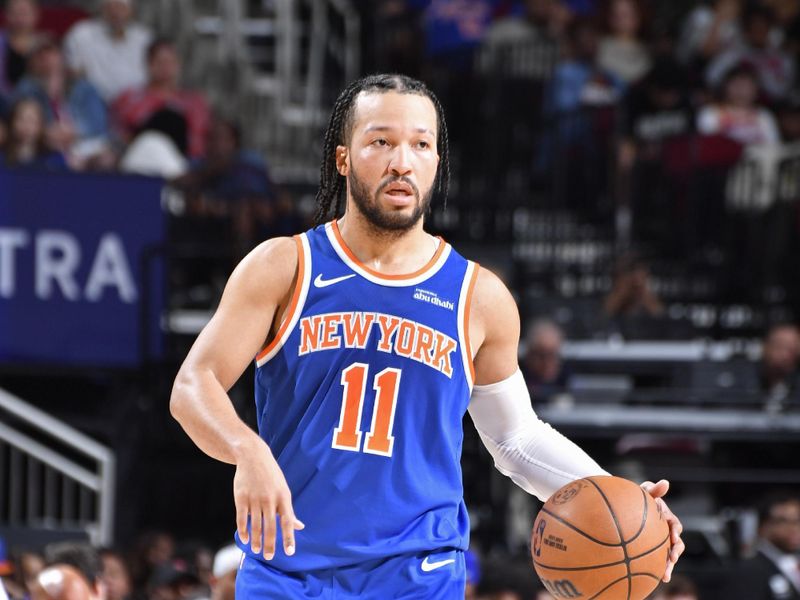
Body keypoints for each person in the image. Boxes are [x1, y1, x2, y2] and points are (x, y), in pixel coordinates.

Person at [170, 73, 684, 598]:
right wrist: (247, 452)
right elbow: (194, 384)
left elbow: (515, 439)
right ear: (343, 159)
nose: (402, 161)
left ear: (437, 163)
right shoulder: (286, 266)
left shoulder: (477, 296)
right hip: (287, 566)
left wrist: (620, 495)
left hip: (418, 571)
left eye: (421, 144)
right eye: (382, 142)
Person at [13, 39, 112, 170]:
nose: (47, 59)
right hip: (43, 143)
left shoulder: (84, 87)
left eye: (51, 53)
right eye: (41, 56)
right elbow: (19, 119)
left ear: (62, 57)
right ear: (33, 61)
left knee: (105, 157)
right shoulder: (26, 88)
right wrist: (46, 131)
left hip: (82, 143)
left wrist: (74, 131)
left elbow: (98, 123)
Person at [112, 39, 210, 161]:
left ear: (178, 65)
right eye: (160, 62)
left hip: (186, 166)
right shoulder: (129, 99)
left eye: (170, 62)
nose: (165, 68)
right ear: (148, 64)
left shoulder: (194, 102)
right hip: (140, 164)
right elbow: (119, 137)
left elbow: (200, 143)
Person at [62, 0, 152, 103]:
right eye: (111, 7)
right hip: (96, 103)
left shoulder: (144, 39)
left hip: (136, 103)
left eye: (121, 7)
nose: (116, 13)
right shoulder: (81, 35)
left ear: (131, 11)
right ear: (102, 9)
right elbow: (72, 73)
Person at [720, 492, 800, 599]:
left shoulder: (793, 564)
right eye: (783, 521)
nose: (794, 528)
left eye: (797, 521)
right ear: (762, 527)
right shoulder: (749, 571)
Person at [697, 65, 781, 147]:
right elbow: (709, 146)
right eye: (736, 85)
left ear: (756, 89)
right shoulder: (710, 113)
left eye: (746, 85)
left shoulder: (764, 115)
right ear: (725, 87)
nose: (740, 90)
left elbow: (773, 146)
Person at [1, 97, 68, 169]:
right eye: (21, 119)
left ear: (41, 125)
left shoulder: (54, 160)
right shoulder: (3, 157)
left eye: (32, 121)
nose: (26, 126)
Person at [521, 319, 570, 404]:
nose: (547, 363)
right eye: (541, 355)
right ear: (529, 355)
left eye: (552, 355)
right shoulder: (516, 381)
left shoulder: (568, 379)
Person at [0, 0, 43, 96]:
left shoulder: (45, 47)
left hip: (36, 105)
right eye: (15, 13)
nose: (20, 18)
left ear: (35, 14)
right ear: (6, 14)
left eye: (24, 13)